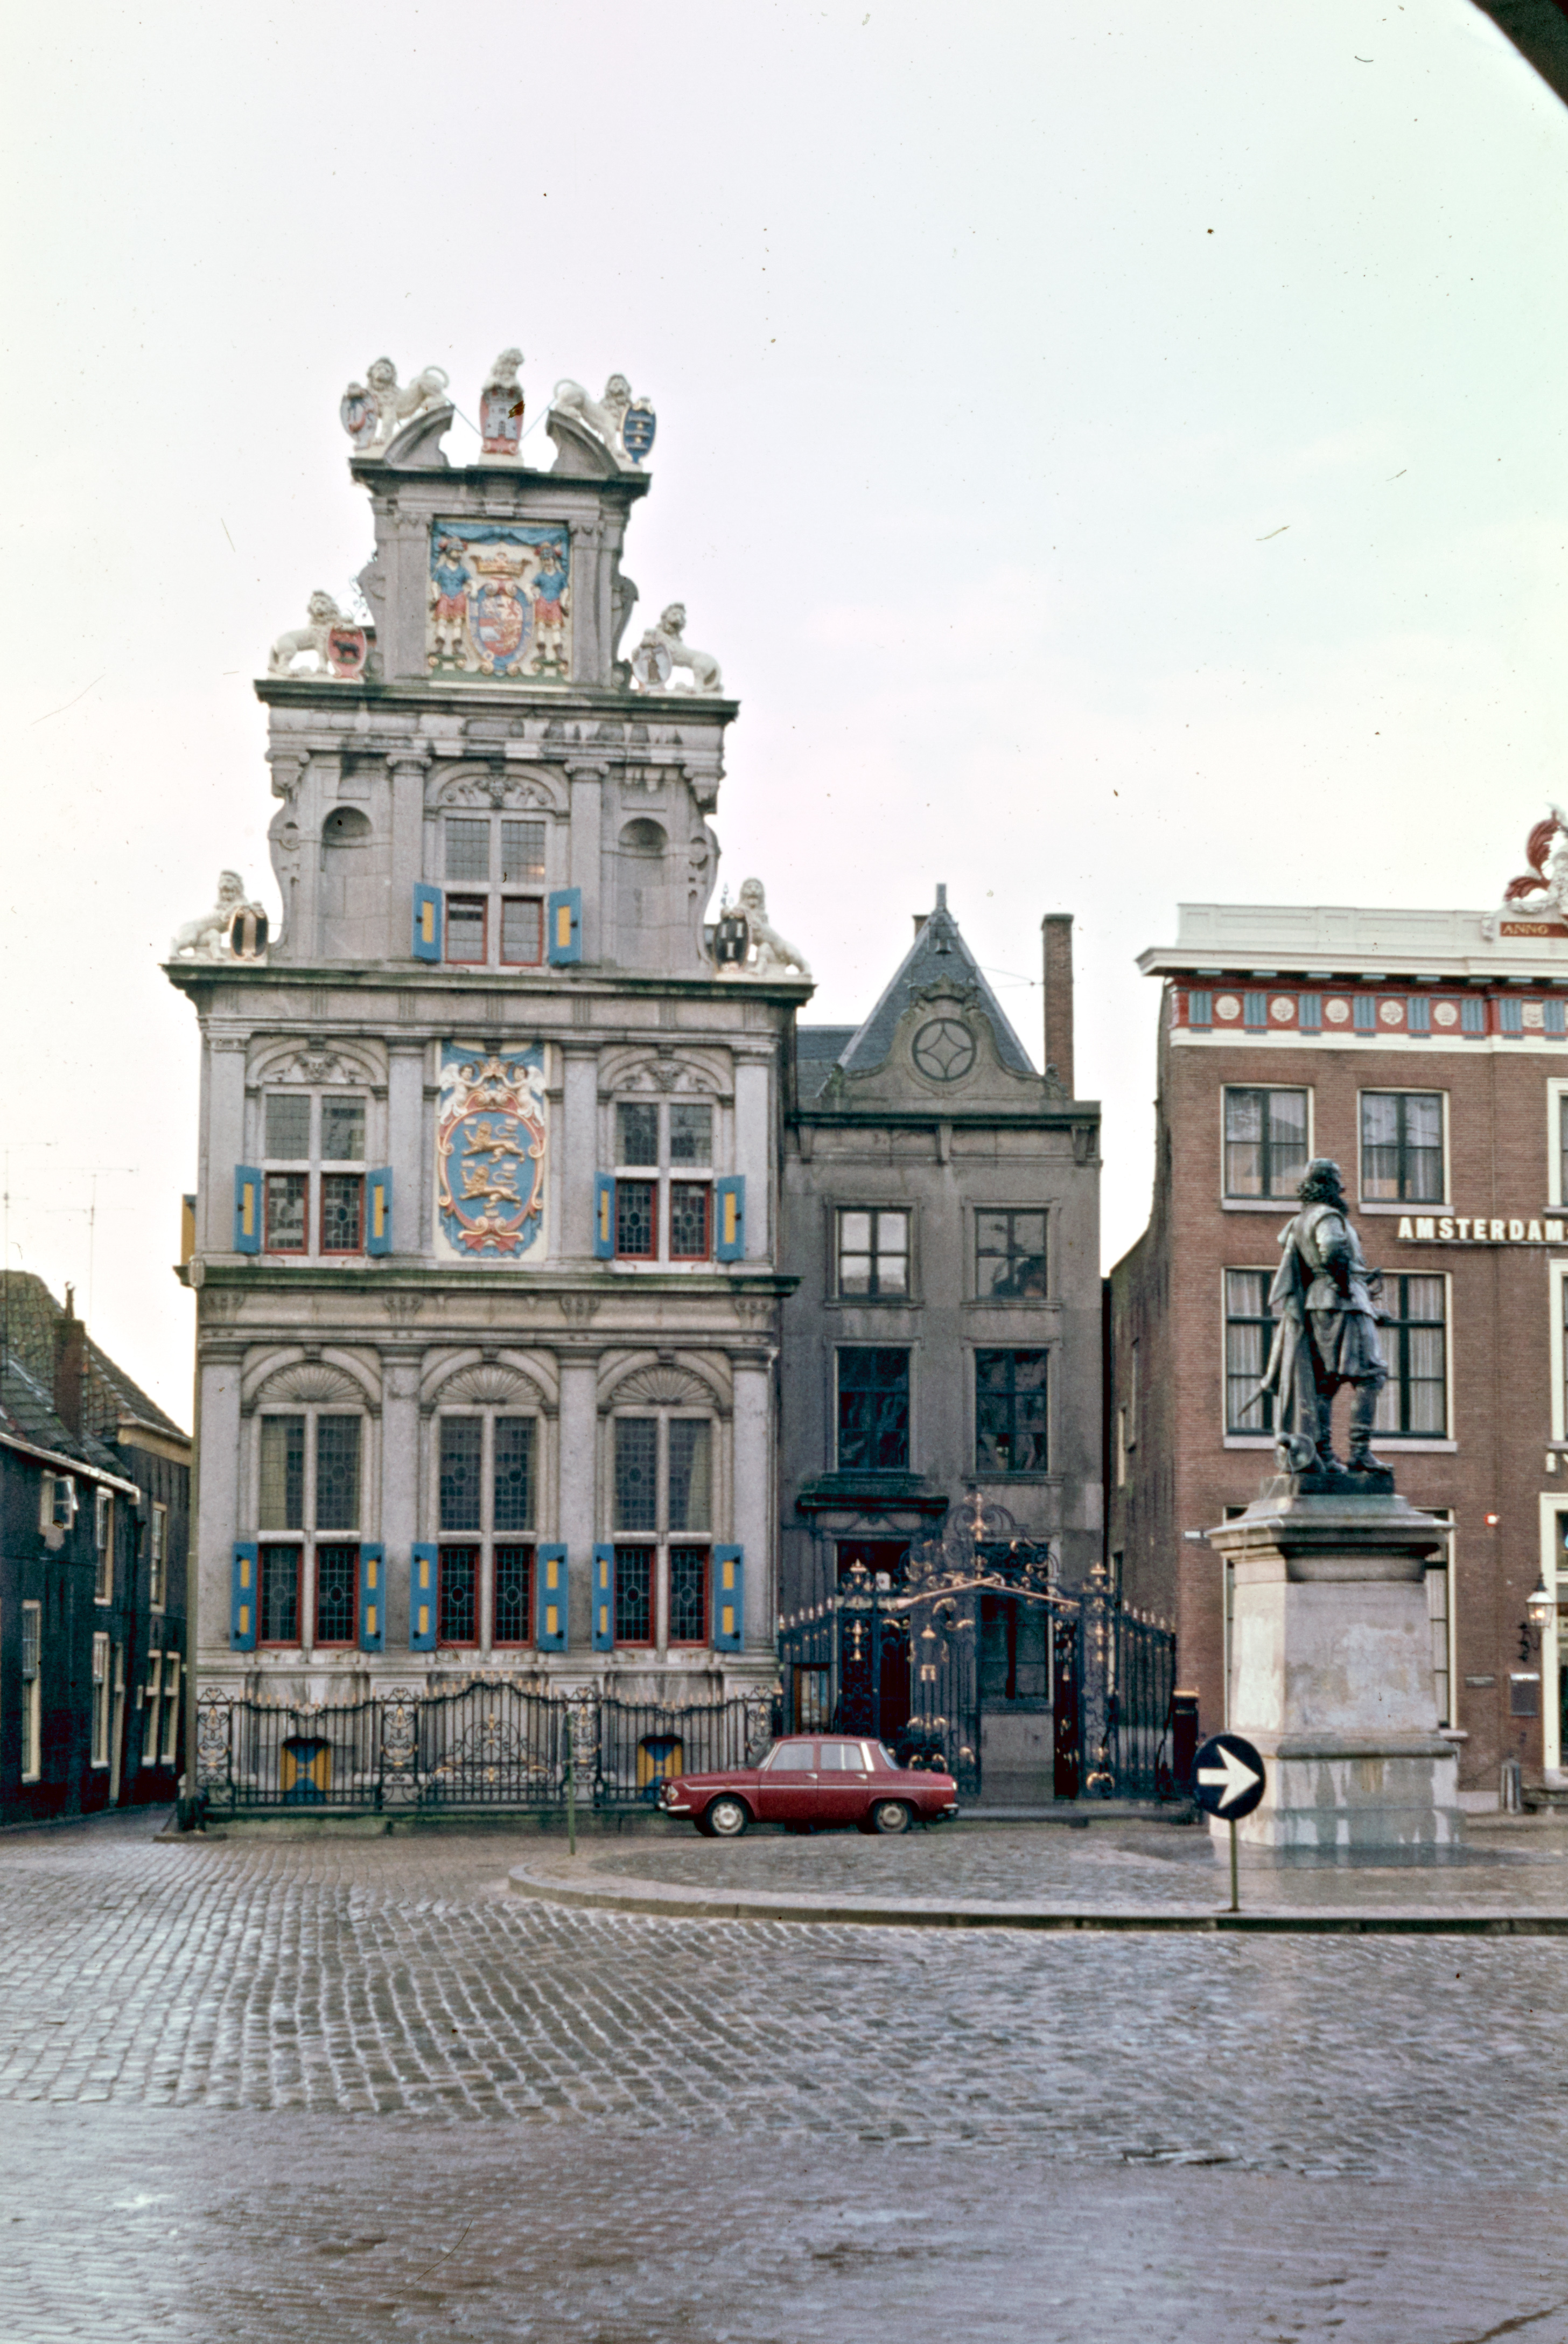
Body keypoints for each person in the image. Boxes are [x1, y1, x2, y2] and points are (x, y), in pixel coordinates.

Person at [1257, 1157, 1388, 1473]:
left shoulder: (1299, 1222)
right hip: (1343, 1303)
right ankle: (1360, 1452)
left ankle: (1324, 1452)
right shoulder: (1328, 1216)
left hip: (1318, 1304)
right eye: (1338, 1181)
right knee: (1371, 1375)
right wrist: (1345, 1286)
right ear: (1328, 1185)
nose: (1342, 1188)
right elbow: (1332, 1250)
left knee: (1325, 1383)